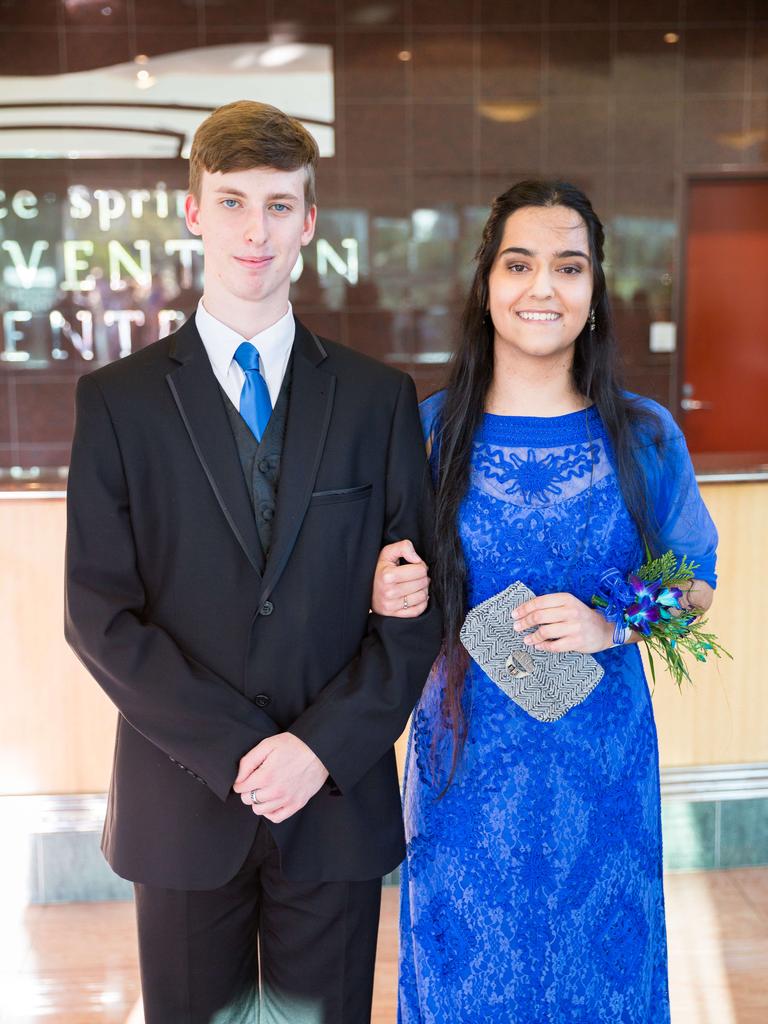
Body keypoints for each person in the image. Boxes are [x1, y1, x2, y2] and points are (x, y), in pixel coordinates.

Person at [64, 100, 442, 1024]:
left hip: (335, 798)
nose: (255, 230)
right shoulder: (118, 403)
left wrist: (318, 750)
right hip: (182, 804)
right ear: (194, 211)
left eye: (280, 205)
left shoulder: (376, 399)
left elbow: (415, 609)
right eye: (232, 202)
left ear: (309, 221)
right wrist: (241, 754)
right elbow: (98, 615)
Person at [371, 180, 718, 1023]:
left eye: (569, 267)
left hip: (601, 775)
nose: (542, 288)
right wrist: (385, 588)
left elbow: (695, 587)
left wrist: (612, 622)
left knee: (600, 987)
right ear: (486, 281)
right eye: (519, 264)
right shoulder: (426, 431)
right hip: (464, 775)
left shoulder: (643, 434)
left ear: (595, 291)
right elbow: (383, 583)